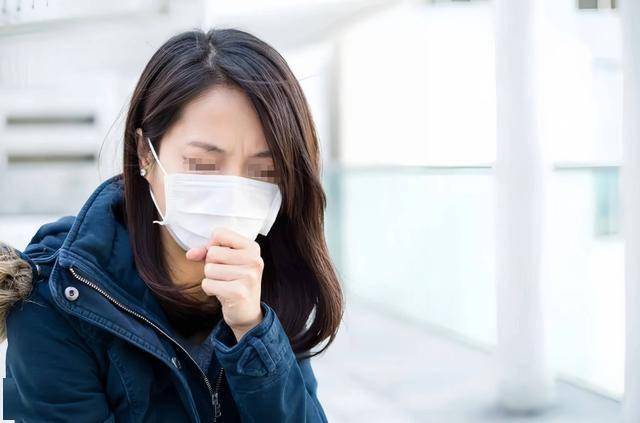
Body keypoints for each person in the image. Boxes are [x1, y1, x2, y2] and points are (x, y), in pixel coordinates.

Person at [0, 27, 343, 422]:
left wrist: (253, 332)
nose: (232, 191)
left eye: (264, 171)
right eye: (203, 164)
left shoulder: (270, 284)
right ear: (145, 154)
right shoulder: (56, 298)